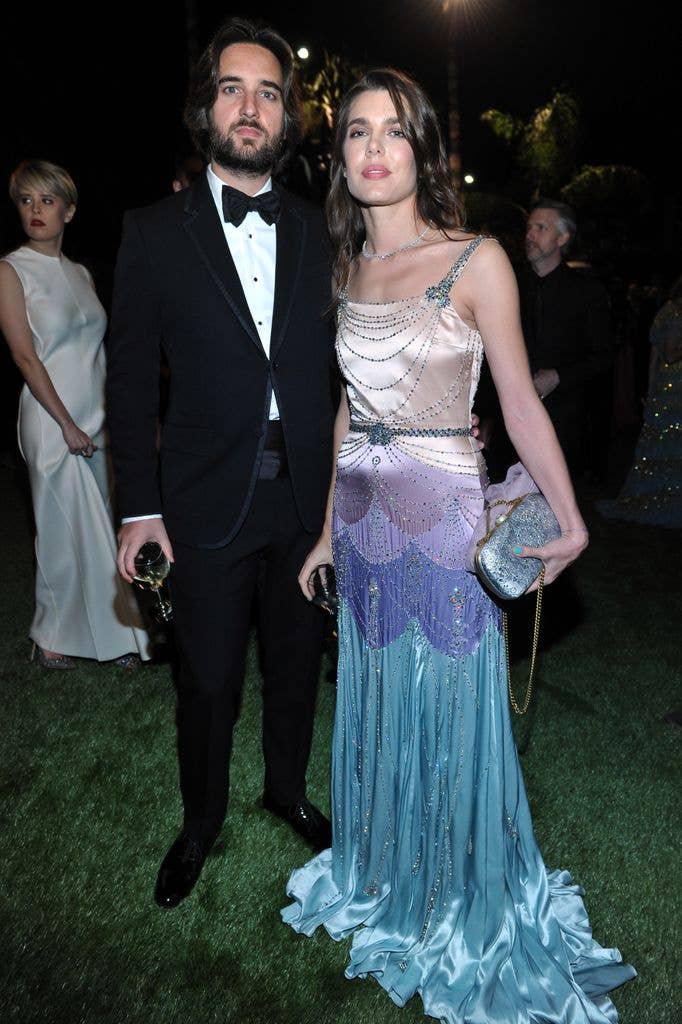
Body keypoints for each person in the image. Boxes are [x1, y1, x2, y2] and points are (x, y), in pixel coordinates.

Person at [281, 69, 635, 1023]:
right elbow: (348, 410)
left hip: (442, 525)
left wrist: (569, 515)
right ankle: (387, 872)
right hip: (360, 526)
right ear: (340, 154)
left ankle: (464, 899)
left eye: (393, 131)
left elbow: (518, 402)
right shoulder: (347, 265)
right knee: (380, 700)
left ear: (424, 149)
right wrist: (322, 531)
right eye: (355, 133)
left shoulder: (478, 259)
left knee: (451, 707)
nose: (372, 148)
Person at [106, 18, 337, 909]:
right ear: (206, 108)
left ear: (287, 118)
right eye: (234, 88)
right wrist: (139, 507)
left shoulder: (325, 231)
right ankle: (199, 820)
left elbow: (359, 360)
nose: (251, 106)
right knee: (204, 680)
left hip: (309, 503)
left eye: (269, 92)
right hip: (201, 501)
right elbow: (127, 381)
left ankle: (286, 789)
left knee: (294, 659)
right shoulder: (153, 230)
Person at [0, 160, 150, 669]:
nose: (35, 211)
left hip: (96, 417)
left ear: (69, 210)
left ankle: (118, 636)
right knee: (62, 529)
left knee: (102, 530)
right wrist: (65, 422)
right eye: (25, 201)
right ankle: (53, 639)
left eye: (46, 201)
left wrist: (114, 418)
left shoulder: (82, 273)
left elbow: (99, 352)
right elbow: (25, 355)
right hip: (50, 418)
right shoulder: (10, 270)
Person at [518, 199, 615, 477]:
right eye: (528, 228)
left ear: (562, 238)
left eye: (540, 228)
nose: (530, 236)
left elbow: (604, 356)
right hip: (512, 418)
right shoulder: (509, 284)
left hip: (565, 416)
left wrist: (559, 375)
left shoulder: (587, 291)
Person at [598, 272, 682, 527]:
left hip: (664, 384)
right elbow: (668, 353)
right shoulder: (673, 312)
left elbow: (655, 356)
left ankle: (657, 496)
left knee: (661, 444)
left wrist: (650, 387)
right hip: (674, 385)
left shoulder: (667, 310)